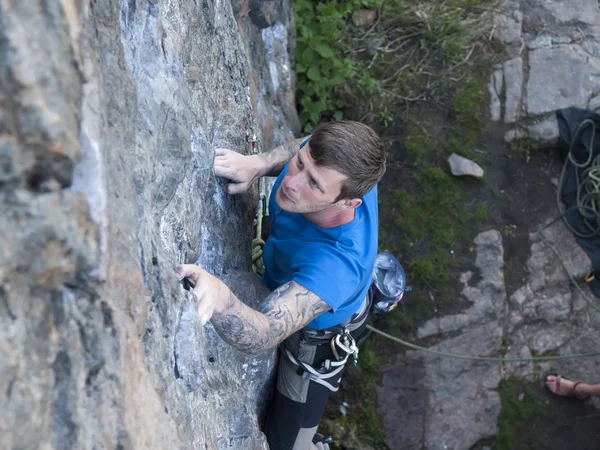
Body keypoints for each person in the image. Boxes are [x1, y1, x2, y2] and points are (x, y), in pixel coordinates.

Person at [175, 121, 386, 450]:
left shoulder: (336, 266)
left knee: (285, 443)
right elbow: (309, 144)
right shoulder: (346, 168)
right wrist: (258, 164)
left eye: (313, 184)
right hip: (296, 269)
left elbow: (266, 332)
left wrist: (219, 299)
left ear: (348, 203)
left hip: (314, 338)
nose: (291, 182)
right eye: (300, 164)